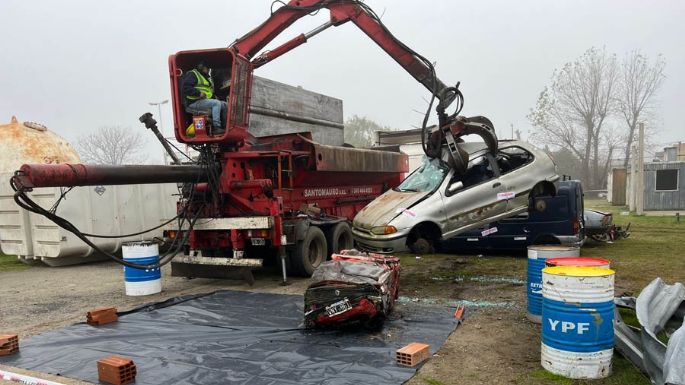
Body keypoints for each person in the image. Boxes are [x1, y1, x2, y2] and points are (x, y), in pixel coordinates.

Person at [181, 61, 226, 134]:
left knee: (224, 105)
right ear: (201, 67)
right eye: (207, 68)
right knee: (216, 103)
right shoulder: (193, 74)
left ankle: (225, 127)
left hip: (203, 101)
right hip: (194, 102)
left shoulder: (206, 77)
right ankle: (216, 128)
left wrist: (215, 97)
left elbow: (208, 91)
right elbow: (185, 88)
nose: (208, 70)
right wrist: (198, 93)